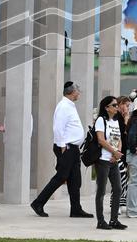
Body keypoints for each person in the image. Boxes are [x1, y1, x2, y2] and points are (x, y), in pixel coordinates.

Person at [30, 82, 93, 219]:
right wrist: (62, 146)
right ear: (72, 92)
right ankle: (38, 203)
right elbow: (58, 128)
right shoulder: (64, 106)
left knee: (75, 179)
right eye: (78, 90)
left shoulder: (70, 105)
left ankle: (76, 209)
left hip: (73, 148)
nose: (79, 93)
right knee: (61, 177)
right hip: (67, 148)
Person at [93, 96, 127, 230]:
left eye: (117, 105)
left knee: (118, 189)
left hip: (113, 160)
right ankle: (100, 221)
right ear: (106, 107)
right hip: (103, 160)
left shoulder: (116, 120)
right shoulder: (101, 120)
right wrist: (113, 151)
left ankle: (114, 220)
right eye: (114, 105)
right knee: (101, 191)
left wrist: (117, 153)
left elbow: (119, 139)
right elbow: (101, 140)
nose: (117, 107)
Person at [116, 95, 131, 207]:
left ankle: (122, 201)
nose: (127, 108)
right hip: (118, 150)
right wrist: (126, 119)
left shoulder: (122, 117)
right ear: (120, 104)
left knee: (124, 177)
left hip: (125, 150)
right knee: (119, 177)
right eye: (126, 105)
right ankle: (117, 203)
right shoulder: (117, 118)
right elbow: (122, 132)